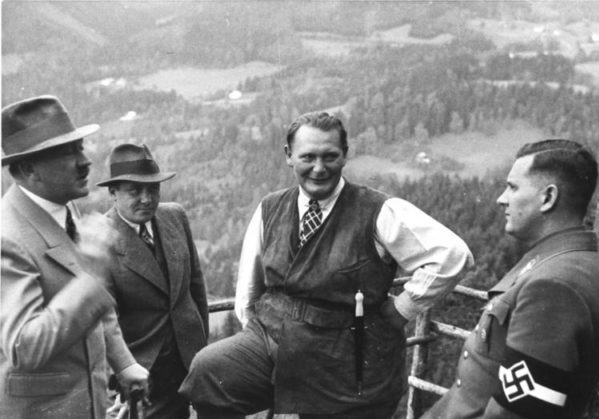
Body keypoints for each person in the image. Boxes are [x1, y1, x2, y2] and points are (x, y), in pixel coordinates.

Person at [180, 111, 474, 419]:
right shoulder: (270, 208)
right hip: (273, 338)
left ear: (345, 156)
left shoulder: (379, 210)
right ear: (288, 156)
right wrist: (256, 333)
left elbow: (453, 255)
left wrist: (401, 310)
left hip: (346, 350)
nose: (319, 168)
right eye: (308, 157)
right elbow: (249, 288)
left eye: (330, 156)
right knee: (209, 371)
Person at [422, 139, 599, 419]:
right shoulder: (569, 264)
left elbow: (516, 415)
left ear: (548, 198)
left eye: (513, 187)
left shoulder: (555, 286)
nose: (501, 198)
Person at [0, 95, 149, 419]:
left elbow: (92, 304)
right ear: (28, 169)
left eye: (79, 147)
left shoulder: (61, 206)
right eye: (67, 153)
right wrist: (93, 277)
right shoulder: (6, 238)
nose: (85, 162)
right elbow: (24, 347)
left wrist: (123, 363)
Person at [96, 143, 209, 419]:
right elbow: (102, 320)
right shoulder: (99, 238)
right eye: (135, 191)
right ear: (113, 193)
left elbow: (196, 288)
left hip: (190, 360)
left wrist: (201, 348)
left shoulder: (175, 216)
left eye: (153, 189)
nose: (147, 199)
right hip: (142, 372)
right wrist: (120, 377)